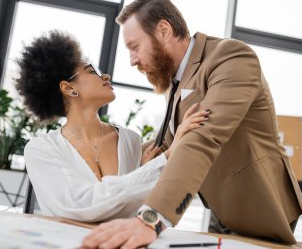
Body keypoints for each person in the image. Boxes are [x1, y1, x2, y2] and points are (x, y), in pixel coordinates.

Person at [82, 0, 302, 247]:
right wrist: (100, 158)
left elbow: (202, 137)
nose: (132, 60)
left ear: (164, 30)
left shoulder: (232, 57)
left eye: (134, 46)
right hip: (223, 206)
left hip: (259, 203)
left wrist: (151, 218)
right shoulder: (175, 81)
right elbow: (167, 142)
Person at [15, 30, 210, 222]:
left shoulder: (130, 140)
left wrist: (146, 169)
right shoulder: (41, 149)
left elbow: (134, 211)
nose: (105, 76)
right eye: (93, 72)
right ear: (68, 88)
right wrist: (164, 160)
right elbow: (79, 205)